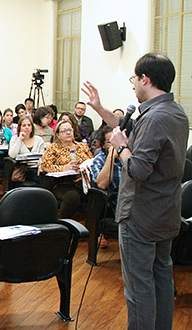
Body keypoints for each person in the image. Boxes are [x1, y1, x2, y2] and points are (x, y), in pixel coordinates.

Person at [82, 53, 189, 330]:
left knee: (139, 287)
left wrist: (120, 148)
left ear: (146, 79)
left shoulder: (155, 119)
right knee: (162, 279)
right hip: (165, 214)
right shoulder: (174, 112)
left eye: (134, 79)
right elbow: (123, 127)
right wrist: (99, 108)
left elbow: (138, 169)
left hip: (141, 215)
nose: (133, 85)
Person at [40, 120, 92, 219]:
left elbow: (92, 162)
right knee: (72, 197)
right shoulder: (53, 148)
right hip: (63, 183)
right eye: (64, 131)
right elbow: (45, 166)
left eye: (70, 130)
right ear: (58, 135)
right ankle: (61, 224)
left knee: (98, 195)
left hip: (84, 182)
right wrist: (63, 168)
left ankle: (92, 228)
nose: (68, 132)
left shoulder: (82, 146)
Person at [89, 126, 123, 249]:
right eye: (109, 141)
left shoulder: (128, 157)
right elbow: (102, 184)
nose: (113, 144)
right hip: (115, 203)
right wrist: (111, 157)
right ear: (103, 145)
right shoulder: (99, 160)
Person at [8, 116, 45, 184]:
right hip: (23, 169)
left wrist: (40, 167)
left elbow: (42, 157)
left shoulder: (39, 140)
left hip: (36, 168)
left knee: (45, 177)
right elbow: (12, 155)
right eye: (24, 125)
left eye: (29, 125)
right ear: (20, 128)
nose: (27, 127)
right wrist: (19, 139)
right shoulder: (15, 139)